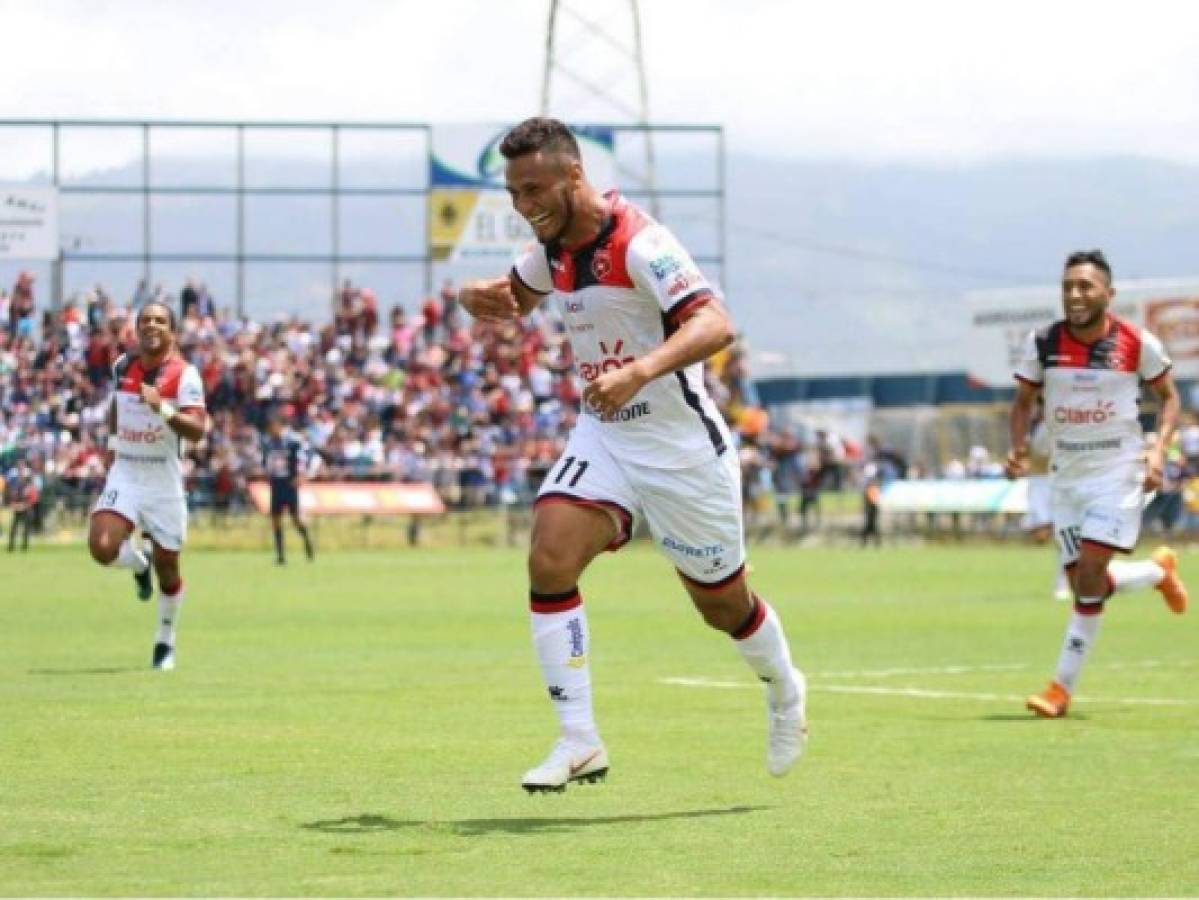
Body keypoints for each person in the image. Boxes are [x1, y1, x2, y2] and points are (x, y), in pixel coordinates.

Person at [459, 117, 807, 792]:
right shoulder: (551, 244)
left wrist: (640, 370)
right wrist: (479, 298)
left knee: (722, 607)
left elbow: (715, 323)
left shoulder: (640, 241)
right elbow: (516, 299)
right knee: (549, 555)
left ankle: (784, 689)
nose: (521, 203)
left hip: (681, 450)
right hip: (608, 435)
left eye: (533, 187)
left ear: (573, 177)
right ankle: (578, 740)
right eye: (512, 190)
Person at [1006, 249, 1188, 718]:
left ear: (1109, 293)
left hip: (1118, 473)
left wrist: (1158, 449)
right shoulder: (1044, 341)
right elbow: (1023, 401)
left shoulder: (1136, 342)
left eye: (1085, 286)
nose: (1075, 294)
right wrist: (1019, 448)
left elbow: (1169, 399)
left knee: (1088, 576)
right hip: (1067, 478)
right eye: (1068, 286)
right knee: (1090, 582)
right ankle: (1156, 573)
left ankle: (1059, 689)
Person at [87, 300, 208, 671]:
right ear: (137, 329)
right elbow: (116, 408)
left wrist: (164, 410)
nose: (151, 326)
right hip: (127, 470)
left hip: (163, 479)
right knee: (102, 547)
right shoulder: (123, 366)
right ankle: (138, 564)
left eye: (160, 320)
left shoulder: (185, 375)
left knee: (168, 569)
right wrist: (110, 448)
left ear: (172, 331)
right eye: (145, 321)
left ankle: (164, 642)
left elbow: (198, 430)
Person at [1022, 398, 1072, 601]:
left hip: (1059, 480)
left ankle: (1062, 583)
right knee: (1040, 535)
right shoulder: (1032, 425)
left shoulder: (1063, 424)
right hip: (1038, 481)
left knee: (1063, 536)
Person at [260, 414, 315, 565]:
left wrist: (301, 475)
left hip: (289, 483)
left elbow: (305, 457)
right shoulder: (268, 443)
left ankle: (307, 542)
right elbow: (266, 461)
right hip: (276, 484)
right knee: (276, 520)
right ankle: (281, 556)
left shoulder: (293, 442)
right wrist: (267, 474)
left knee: (296, 519)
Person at [6, 461, 39, 552]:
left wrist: (24, 505)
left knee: (26, 529)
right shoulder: (14, 482)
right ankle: (11, 547)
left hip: (27, 509)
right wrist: (14, 504)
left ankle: (24, 547)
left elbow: (33, 497)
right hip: (18, 508)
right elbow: (11, 496)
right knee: (14, 528)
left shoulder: (29, 482)